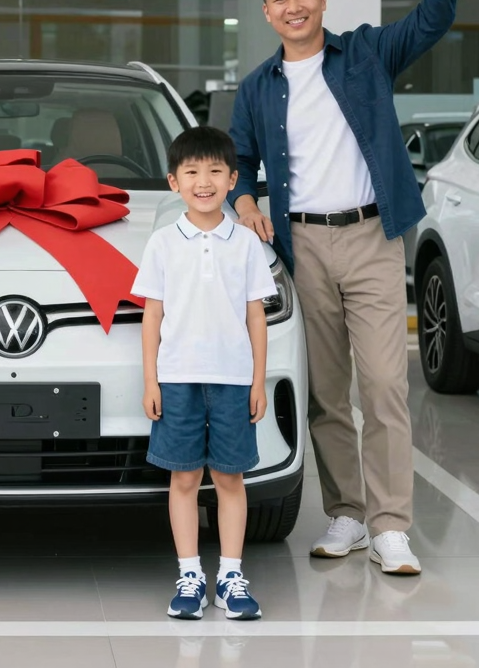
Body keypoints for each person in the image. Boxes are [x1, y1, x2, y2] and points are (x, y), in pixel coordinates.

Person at [229, 0, 459, 576]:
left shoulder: (364, 53)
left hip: (371, 236)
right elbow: (236, 157)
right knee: (328, 391)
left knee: (386, 385)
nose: (293, 6)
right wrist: (244, 200)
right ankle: (347, 515)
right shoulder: (257, 87)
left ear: (321, 1)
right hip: (302, 244)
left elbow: (434, 17)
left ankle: (392, 525)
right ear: (266, 13)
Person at [133, 126, 276, 621]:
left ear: (233, 179)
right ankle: (190, 574)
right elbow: (152, 315)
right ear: (174, 182)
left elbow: (255, 315)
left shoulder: (245, 243)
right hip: (177, 378)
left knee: (231, 477)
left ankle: (232, 575)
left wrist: (259, 381)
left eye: (216, 171)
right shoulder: (162, 242)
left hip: (234, 379)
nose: (204, 181)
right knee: (185, 477)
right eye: (191, 171)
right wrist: (150, 381)